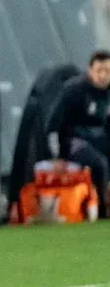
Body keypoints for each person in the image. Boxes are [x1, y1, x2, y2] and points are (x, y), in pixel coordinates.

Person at [46, 50, 110, 217]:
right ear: (90, 71)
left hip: (98, 137)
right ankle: (102, 210)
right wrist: (57, 156)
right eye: (99, 71)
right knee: (99, 164)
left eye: (108, 71)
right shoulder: (74, 90)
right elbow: (53, 125)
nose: (103, 76)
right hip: (72, 141)